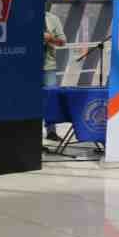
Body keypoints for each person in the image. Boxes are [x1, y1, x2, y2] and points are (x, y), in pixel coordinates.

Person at [44, 9, 66, 141]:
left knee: (51, 98)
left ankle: (51, 131)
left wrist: (50, 38)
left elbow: (62, 42)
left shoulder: (53, 19)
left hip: (48, 66)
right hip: (26, 66)